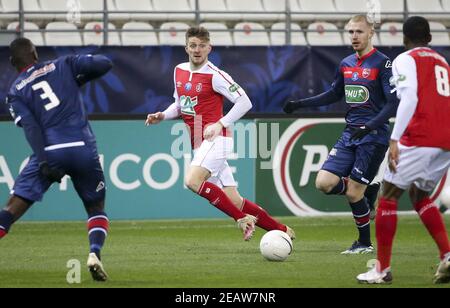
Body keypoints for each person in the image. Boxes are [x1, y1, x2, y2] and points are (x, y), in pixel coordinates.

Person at [146, 26, 295, 241]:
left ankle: (242, 219)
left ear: (209, 48)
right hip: (199, 142)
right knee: (234, 199)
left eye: (202, 46)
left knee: (192, 180)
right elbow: (180, 105)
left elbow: (245, 102)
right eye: (193, 45)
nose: (197, 50)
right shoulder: (178, 70)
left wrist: (220, 123)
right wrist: (162, 115)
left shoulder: (216, 76)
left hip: (217, 139)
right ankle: (282, 231)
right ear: (186, 48)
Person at [284, 15, 399, 254]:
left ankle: (365, 243)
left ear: (371, 33)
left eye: (359, 31)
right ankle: (368, 189)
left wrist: (370, 125)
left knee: (352, 192)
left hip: (373, 136)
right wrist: (299, 104)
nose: (354, 36)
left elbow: (392, 103)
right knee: (324, 183)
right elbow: (333, 94)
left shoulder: (383, 63)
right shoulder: (346, 63)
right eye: (350, 32)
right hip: (350, 133)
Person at [0, 38, 112, 281]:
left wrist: (43, 161)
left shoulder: (15, 91)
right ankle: (94, 253)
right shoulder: (63, 65)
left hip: (49, 151)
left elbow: (31, 127)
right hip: (82, 147)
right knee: (95, 208)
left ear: (12, 62)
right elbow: (105, 64)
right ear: (35, 54)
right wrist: (78, 74)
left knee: (10, 209)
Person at [357, 16, 450, 284]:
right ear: (430, 38)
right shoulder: (442, 61)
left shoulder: (405, 59)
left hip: (420, 136)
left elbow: (409, 97)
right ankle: (447, 255)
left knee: (387, 196)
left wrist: (395, 138)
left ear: (404, 38)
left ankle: (381, 270)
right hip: (445, 140)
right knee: (419, 193)